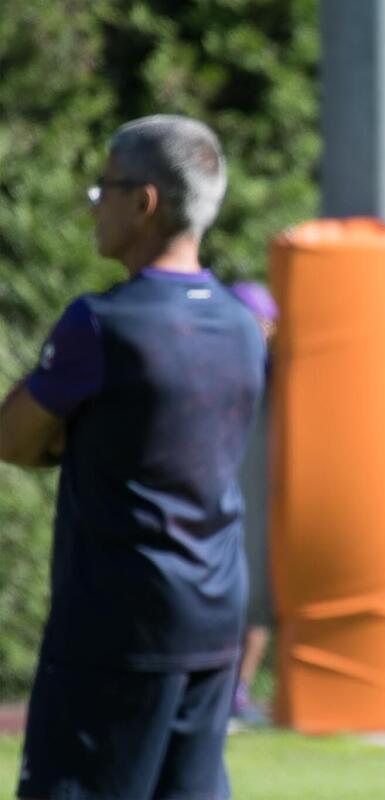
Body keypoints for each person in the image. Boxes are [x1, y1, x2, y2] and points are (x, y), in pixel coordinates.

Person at [0, 115, 265, 800]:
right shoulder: (242, 324)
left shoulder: (103, 321)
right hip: (212, 614)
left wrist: (73, 436)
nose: (94, 203)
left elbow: (14, 438)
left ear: (144, 202)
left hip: (115, 623)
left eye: (106, 187)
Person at [228, 281, 277, 729]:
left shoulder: (277, 370)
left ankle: (237, 690)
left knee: (258, 599)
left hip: (258, 495)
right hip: (217, 493)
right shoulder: (209, 362)